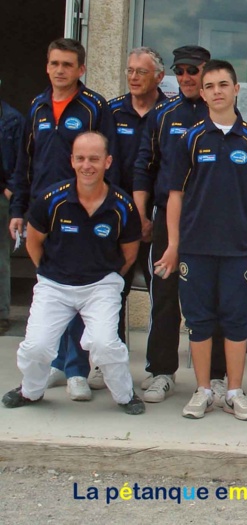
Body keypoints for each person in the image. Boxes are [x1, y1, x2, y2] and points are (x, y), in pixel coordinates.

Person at [154, 59, 247, 421]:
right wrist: (173, 246)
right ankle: (204, 390)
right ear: (202, 93)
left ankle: (234, 391)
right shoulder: (190, 139)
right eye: (210, 86)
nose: (217, 91)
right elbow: (174, 196)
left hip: (238, 249)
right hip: (196, 247)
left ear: (236, 90)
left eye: (224, 84)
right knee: (199, 321)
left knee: (237, 321)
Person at [1, 131, 143, 415]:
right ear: (72, 161)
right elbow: (33, 242)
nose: (86, 165)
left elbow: (129, 253)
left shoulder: (123, 205)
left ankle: (125, 396)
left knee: (105, 344)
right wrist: (52, 273)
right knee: (36, 347)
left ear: (108, 161)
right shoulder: (51, 199)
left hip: (100, 286)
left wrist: (107, 279)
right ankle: (31, 391)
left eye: (94, 158)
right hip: (54, 284)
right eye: (80, 158)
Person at [10, 38, 116, 402]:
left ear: (81, 69)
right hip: (44, 211)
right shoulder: (37, 106)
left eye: (68, 64)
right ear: (47, 66)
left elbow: (107, 159)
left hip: (84, 212)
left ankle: (77, 369)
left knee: (79, 286)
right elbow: (25, 163)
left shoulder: (93, 107)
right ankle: (56, 363)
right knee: (52, 290)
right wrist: (18, 210)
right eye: (54, 63)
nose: (60, 70)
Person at [133, 45, 228, 404]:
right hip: (166, 219)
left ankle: (217, 375)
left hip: (213, 221)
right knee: (165, 297)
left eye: (194, 71)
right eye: (181, 71)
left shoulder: (223, 115)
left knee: (215, 299)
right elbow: (145, 166)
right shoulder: (163, 115)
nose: (187, 77)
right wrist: (141, 214)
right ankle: (161, 371)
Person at [107, 47, 166, 356]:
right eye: (130, 70)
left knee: (162, 293)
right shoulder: (112, 111)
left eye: (140, 72)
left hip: (158, 219)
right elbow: (107, 164)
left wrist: (151, 217)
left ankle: (156, 365)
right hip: (118, 218)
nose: (133, 77)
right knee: (113, 289)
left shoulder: (168, 112)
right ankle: (110, 358)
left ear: (159, 76)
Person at [0, 85, 25, 336]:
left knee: (0, 258)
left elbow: (22, 158)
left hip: (1, 196)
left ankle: (1, 315)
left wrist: (10, 189)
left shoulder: (12, 119)